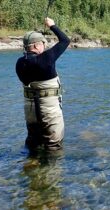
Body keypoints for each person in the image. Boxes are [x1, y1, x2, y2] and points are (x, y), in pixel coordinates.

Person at [16, 17, 70, 151]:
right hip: (49, 111)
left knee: (33, 145)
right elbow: (65, 40)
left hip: (31, 113)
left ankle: (31, 166)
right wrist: (52, 25)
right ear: (35, 46)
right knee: (53, 147)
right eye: (42, 44)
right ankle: (50, 171)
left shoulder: (19, 63)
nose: (44, 46)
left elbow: (35, 61)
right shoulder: (46, 59)